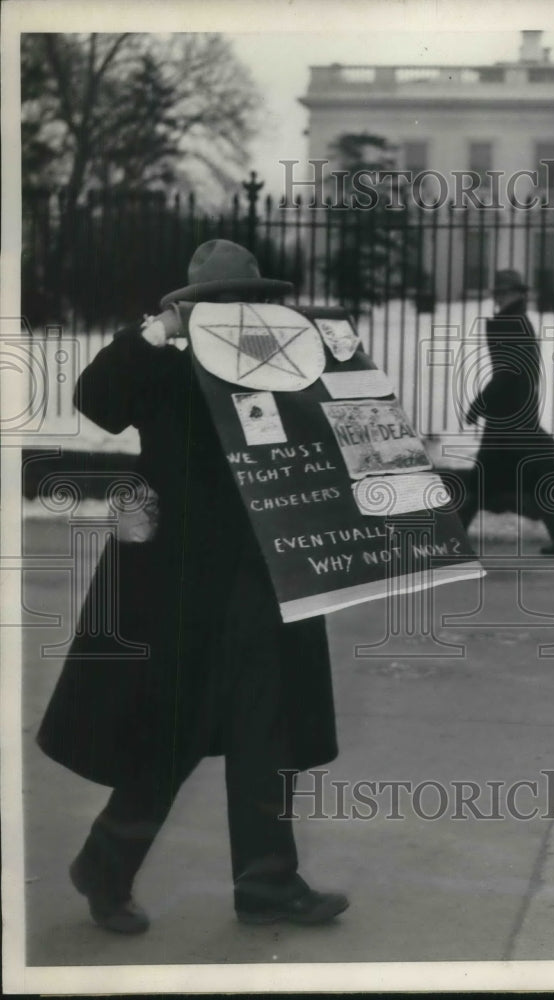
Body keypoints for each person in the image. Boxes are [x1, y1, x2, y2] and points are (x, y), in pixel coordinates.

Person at [37, 240, 348, 933]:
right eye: (220, 306)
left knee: (268, 729)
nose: (237, 317)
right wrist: (155, 333)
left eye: (248, 302)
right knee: (171, 732)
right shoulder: (165, 372)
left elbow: (338, 441)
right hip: (179, 586)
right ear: (193, 313)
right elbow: (98, 399)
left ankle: (268, 883)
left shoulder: (281, 372)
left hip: (269, 577)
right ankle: (105, 864)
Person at [458, 268, 554, 555]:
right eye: (497, 293)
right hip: (518, 415)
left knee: (482, 480)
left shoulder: (510, 323)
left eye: (502, 292)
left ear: (514, 294)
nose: (498, 297)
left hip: (507, 419)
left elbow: (507, 373)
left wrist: (479, 404)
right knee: (534, 473)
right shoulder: (519, 320)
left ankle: (451, 538)